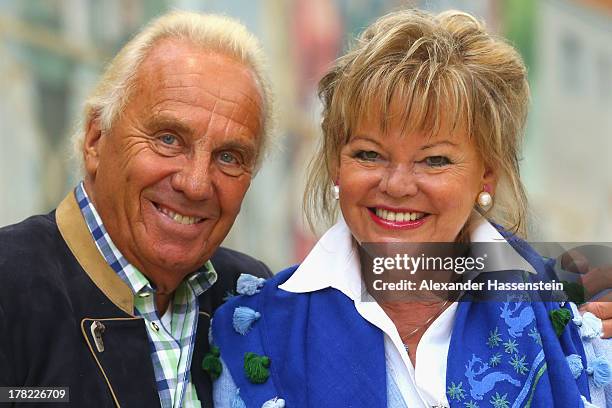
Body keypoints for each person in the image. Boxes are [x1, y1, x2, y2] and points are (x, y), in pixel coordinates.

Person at [210, 9, 612, 408]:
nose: (397, 186)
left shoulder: (577, 318)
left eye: (434, 160)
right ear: (336, 164)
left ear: (485, 177)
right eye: (369, 154)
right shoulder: (255, 332)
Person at [0, 11, 273, 408]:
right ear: (95, 139)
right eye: (168, 139)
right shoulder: (10, 285)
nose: (195, 184)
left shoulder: (248, 297)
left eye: (229, 157)